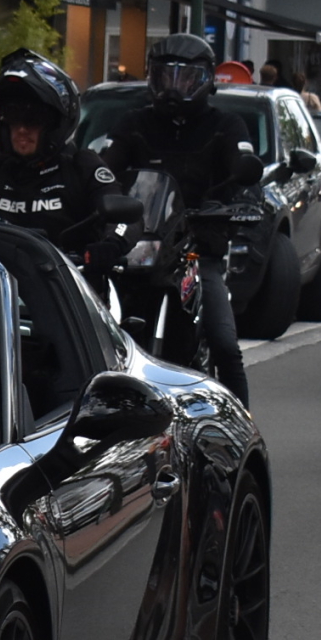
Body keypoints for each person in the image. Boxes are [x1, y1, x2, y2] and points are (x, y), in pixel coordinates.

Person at [99, 33, 255, 403]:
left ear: (205, 80)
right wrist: (94, 190)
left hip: (198, 250)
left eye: (185, 77)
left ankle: (243, 433)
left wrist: (241, 197)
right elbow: (104, 170)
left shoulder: (226, 125)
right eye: (164, 75)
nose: (173, 86)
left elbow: (242, 165)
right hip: (138, 249)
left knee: (224, 344)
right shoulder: (132, 122)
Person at [0, 49, 114, 262]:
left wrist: (111, 245)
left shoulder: (81, 166)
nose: (21, 129)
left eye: (33, 118)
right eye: (12, 117)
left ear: (55, 123)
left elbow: (124, 218)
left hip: (66, 284)